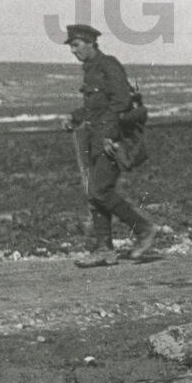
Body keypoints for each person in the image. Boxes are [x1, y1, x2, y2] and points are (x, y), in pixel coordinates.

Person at [62, 24, 157, 267]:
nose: (73, 51)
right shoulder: (91, 70)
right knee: (94, 193)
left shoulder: (109, 65)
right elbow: (97, 106)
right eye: (71, 47)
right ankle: (104, 249)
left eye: (76, 45)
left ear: (91, 43)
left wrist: (110, 136)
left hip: (111, 140)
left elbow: (121, 103)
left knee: (99, 191)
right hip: (96, 138)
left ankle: (144, 228)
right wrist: (75, 117)